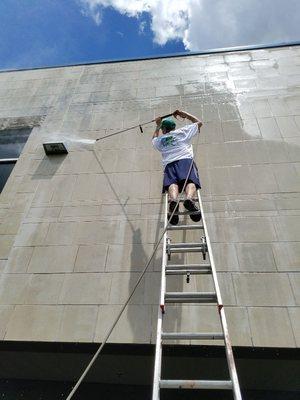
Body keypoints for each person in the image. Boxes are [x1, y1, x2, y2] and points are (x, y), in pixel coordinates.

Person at [152, 109, 203, 225]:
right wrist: (183, 114)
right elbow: (199, 122)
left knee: (172, 184)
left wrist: (157, 126)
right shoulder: (183, 132)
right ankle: (189, 199)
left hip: (169, 165)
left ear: (164, 130)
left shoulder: (161, 140)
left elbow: (153, 139)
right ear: (174, 127)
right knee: (190, 181)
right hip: (185, 161)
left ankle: (173, 200)